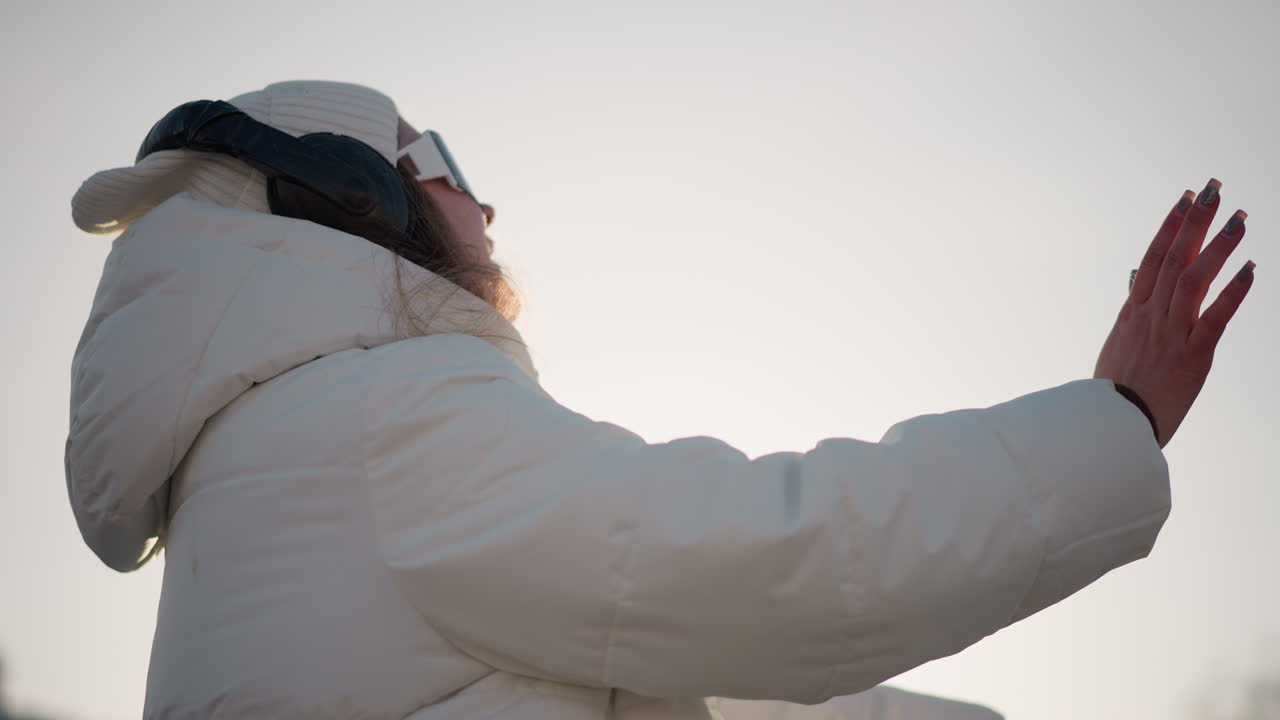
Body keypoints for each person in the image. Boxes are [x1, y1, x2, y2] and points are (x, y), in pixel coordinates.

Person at [64, 80, 1254, 720]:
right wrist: (1115, 421)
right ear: (357, 200)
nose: (487, 212)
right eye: (451, 171)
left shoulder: (260, 467)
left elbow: (636, 668)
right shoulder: (383, 420)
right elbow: (760, 559)